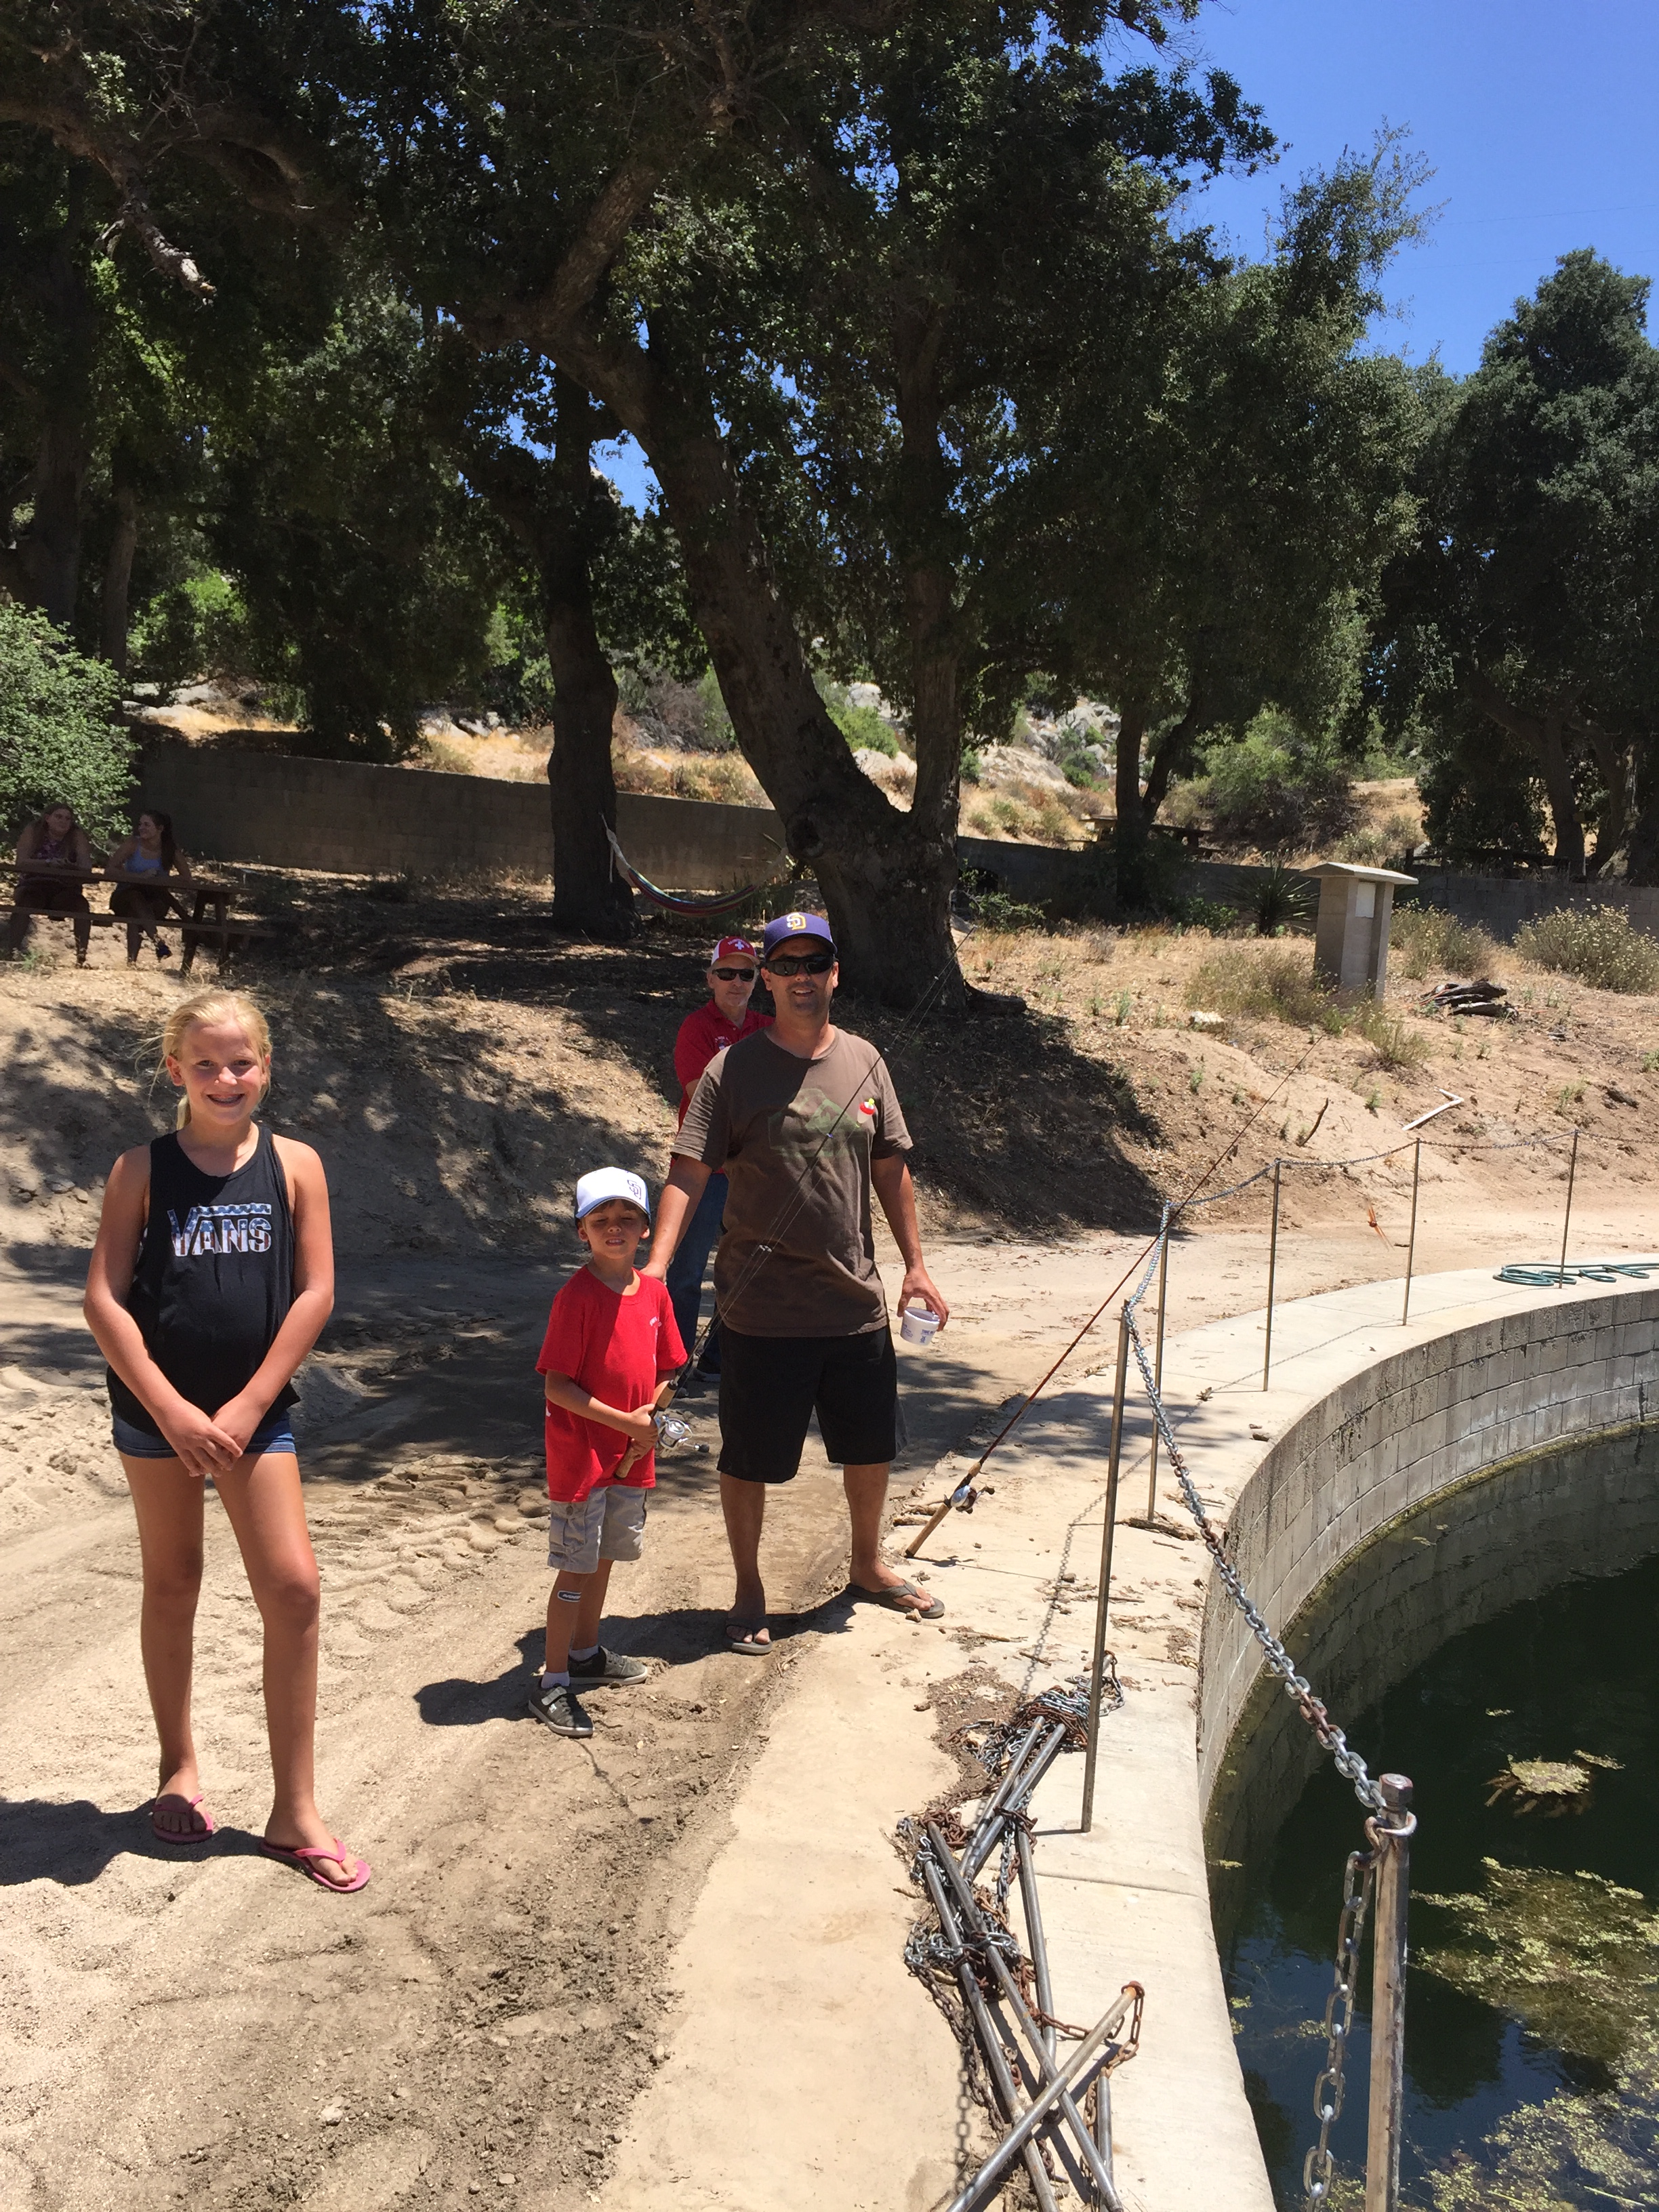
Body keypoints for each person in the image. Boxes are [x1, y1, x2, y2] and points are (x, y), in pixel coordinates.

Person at [83, 989, 368, 1891]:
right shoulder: (141, 1168)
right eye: (204, 1064)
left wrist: (249, 1404)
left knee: (294, 1589)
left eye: (241, 1062)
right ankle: (178, 1768)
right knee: (173, 1581)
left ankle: (295, 1812)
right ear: (176, 1071)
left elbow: (315, 1292)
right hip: (156, 1414)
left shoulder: (296, 1165)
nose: (225, 1078)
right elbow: (103, 1299)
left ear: (267, 1067)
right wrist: (169, 1407)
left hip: (255, 1415)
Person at [645, 910, 949, 1654]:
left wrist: (915, 1265)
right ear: (768, 980)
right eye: (787, 965)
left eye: (816, 963)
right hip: (762, 1311)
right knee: (750, 1459)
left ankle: (867, 1563)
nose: (802, 977)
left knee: (870, 1448)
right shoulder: (731, 1071)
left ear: (835, 974)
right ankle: (749, 1586)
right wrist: (655, 1268)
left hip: (854, 1304)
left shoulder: (867, 1060)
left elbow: (891, 1169)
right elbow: (688, 1170)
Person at [531, 1168, 687, 1738]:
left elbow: (669, 1366)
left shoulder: (656, 1293)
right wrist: (626, 1424)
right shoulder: (576, 1298)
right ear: (582, 1231)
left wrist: (652, 1413)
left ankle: (586, 1653)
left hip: (631, 1459)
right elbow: (557, 1387)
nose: (614, 1228)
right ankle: (552, 1681)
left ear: (646, 1228)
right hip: (583, 1462)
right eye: (600, 1220)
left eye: (627, 1218)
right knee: (575, 1566)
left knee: (603, 1559)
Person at [663, 934, 772, 1391]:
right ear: (710, 979)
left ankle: (718, 1359)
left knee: (747, 1271)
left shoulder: (771, 1027)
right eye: (726, 973)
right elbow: (701, 1095)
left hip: (752, 1174)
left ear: (758, 980)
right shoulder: (696, 1028)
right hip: (704, 1173)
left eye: (746, 973)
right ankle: (672, 1366)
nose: (736, 982)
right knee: (687, 1273)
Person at [7, 802, 93, 964]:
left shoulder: (76, 835)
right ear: (47, 818)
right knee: (25, 902)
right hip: (34, 885)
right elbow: (21, 862)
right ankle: (12, 952)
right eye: (58, 817)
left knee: (81, 906)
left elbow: (86, 867)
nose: (63, 821)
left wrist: (69, 866)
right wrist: (47, 863)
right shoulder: (34, 831)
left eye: (68, 818)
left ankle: (81, 956)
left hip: (64, 888)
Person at [107, 809, 192, 966]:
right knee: (134, 898)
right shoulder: (133, 844)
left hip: (155, 899)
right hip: (125, 896)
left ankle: (132, 963)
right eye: (140, 824)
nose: (141, 828)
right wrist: (139, 877)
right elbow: (110, 869)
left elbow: (187, 878)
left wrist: (162, 880)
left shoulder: (170, 849)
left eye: (147, 825)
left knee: (137, 913)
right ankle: (157, 942)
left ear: (160, 829)